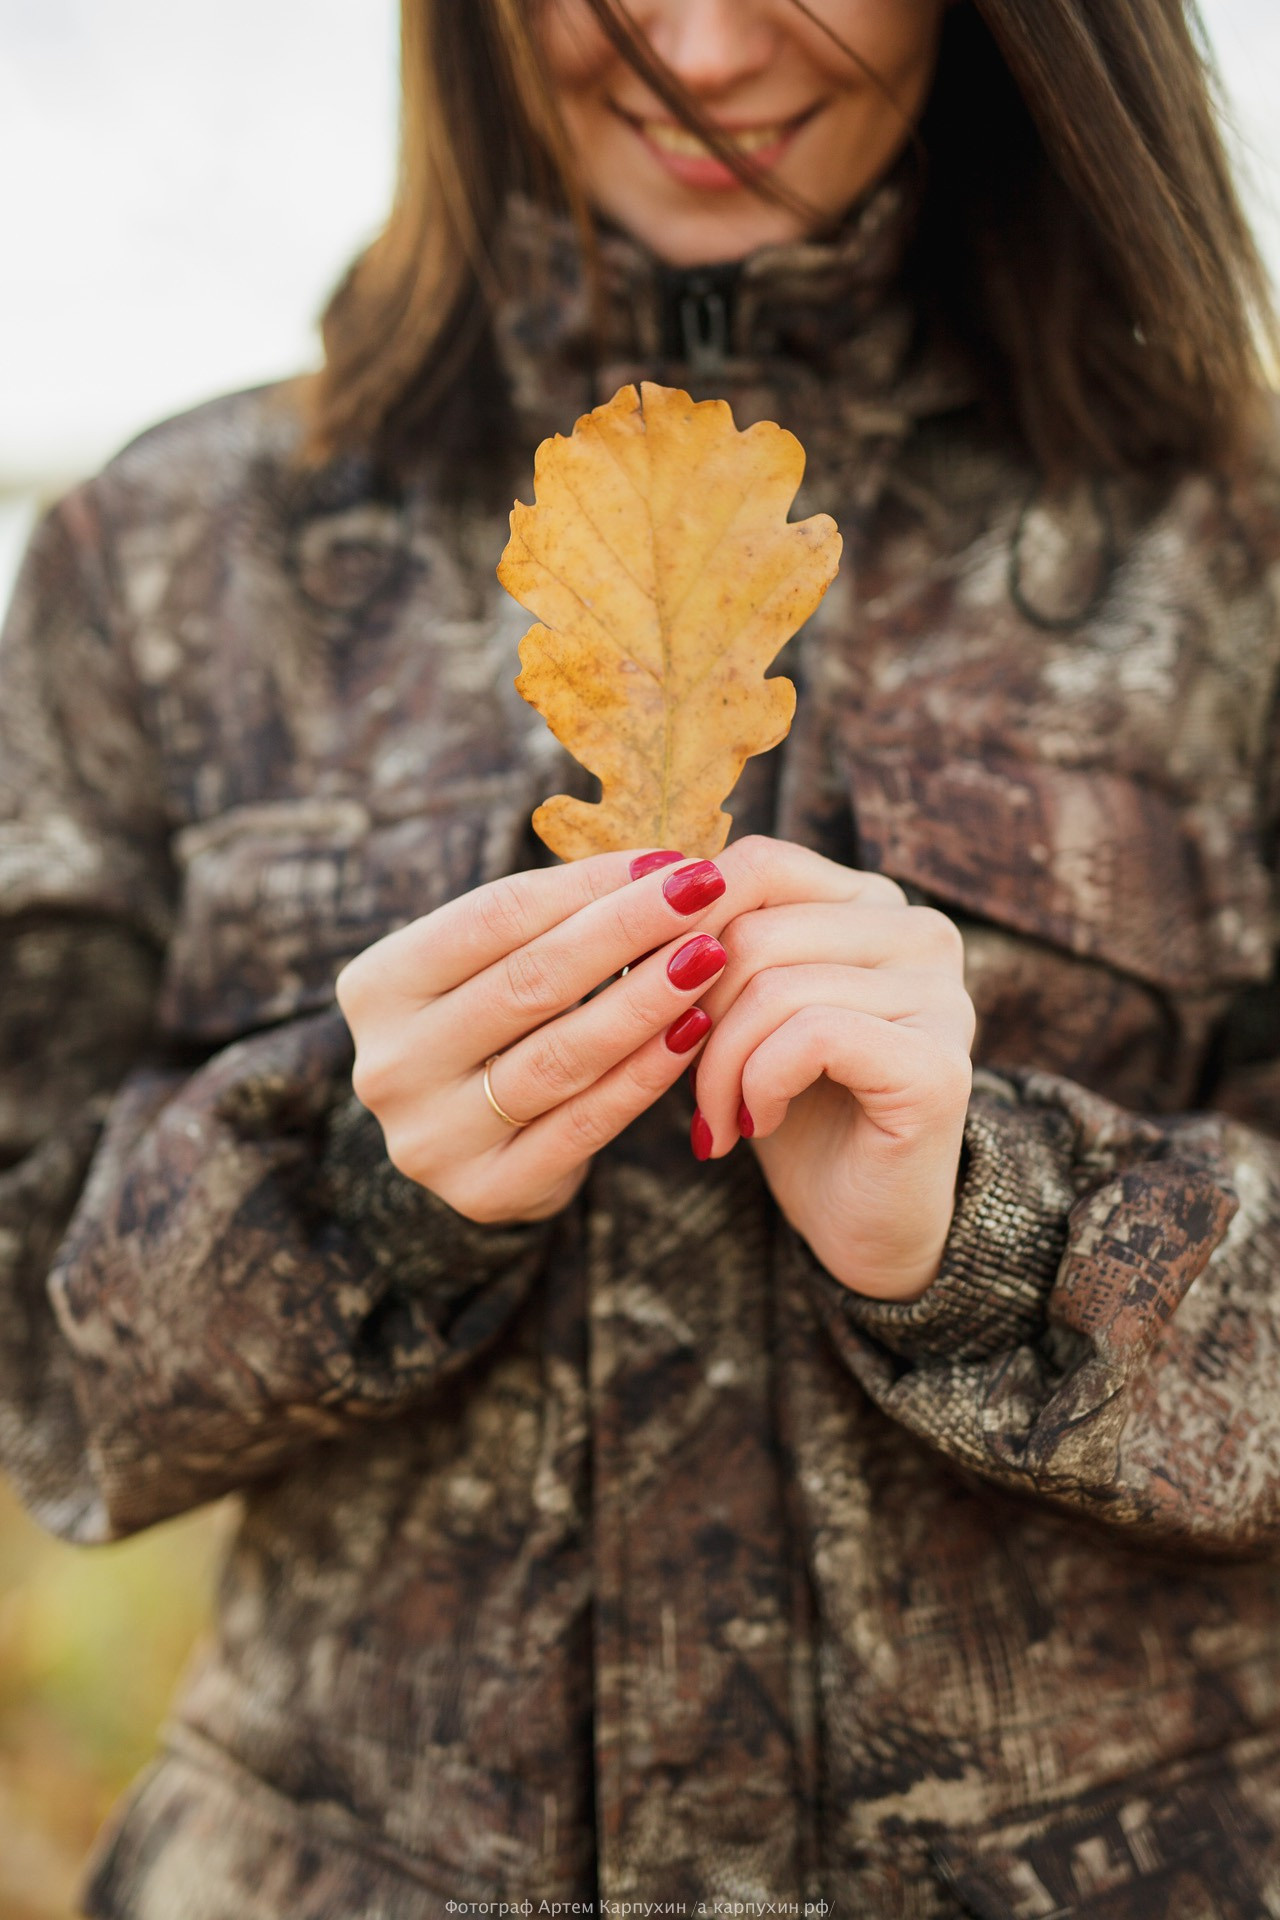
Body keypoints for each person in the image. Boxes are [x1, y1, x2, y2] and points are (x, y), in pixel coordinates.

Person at [2, 0, 1279, 1913]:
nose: (693, 43)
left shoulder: (1233, 553)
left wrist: (996, 1231)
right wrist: (358, 1196)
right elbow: (31, 1350)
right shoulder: (174, 556)